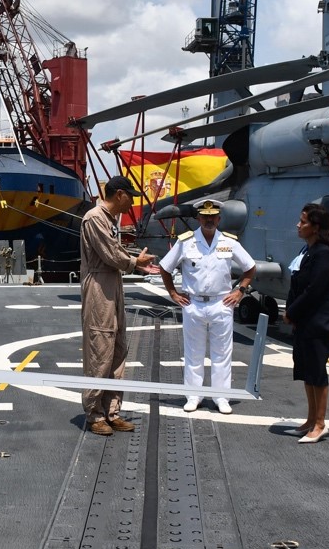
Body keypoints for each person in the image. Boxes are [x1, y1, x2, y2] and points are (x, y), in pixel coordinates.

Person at [158, 199, 255, 414]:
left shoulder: (229, 241)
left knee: (222, 353)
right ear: (198, 218)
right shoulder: (186, 242)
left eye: (213, 217)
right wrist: (173, 293)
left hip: (221, 303)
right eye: (205, 216)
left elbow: (250, 267)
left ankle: (222, 397)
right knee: (194, 353)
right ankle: (194, 396)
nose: (209, 220)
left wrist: (240, 291)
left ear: (219, 218)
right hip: (193, 303)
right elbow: (165, 267)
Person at [81, 175, 156, 436]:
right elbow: (110, 254)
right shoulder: (94, 218)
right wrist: (136, 262)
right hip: (99, 286)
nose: (131, 202)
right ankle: (94, 414)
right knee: (100, 349)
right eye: (130, 197)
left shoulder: (110, 220)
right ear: (119, 194)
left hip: (114, 283)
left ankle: (112, 411)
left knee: (117, 349)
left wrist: (134, 263)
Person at [284, 203, 329, 444]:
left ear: (316, 227)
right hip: (304, 321)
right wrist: (293, 313)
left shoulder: (323, 253)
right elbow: (297, 284)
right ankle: (310, 420)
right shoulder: (307, 250)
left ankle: (320, 423)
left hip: (318, 321)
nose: (298, 225)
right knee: (307, 371)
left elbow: (314, 290)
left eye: (303, 222)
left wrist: (291, 312)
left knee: (317, 372)